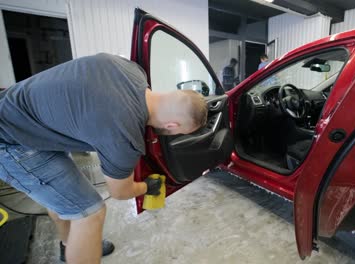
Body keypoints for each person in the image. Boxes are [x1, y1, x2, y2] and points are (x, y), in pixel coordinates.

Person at [0, 53, 208, 263]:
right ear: (172, 126)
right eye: (180, 133)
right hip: (10, 141)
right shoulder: (124, 136)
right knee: (90, 213)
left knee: (61, 197)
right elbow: (119, 192)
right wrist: (147, 187)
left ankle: (68, 246)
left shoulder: (132, 69)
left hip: (27, 117)